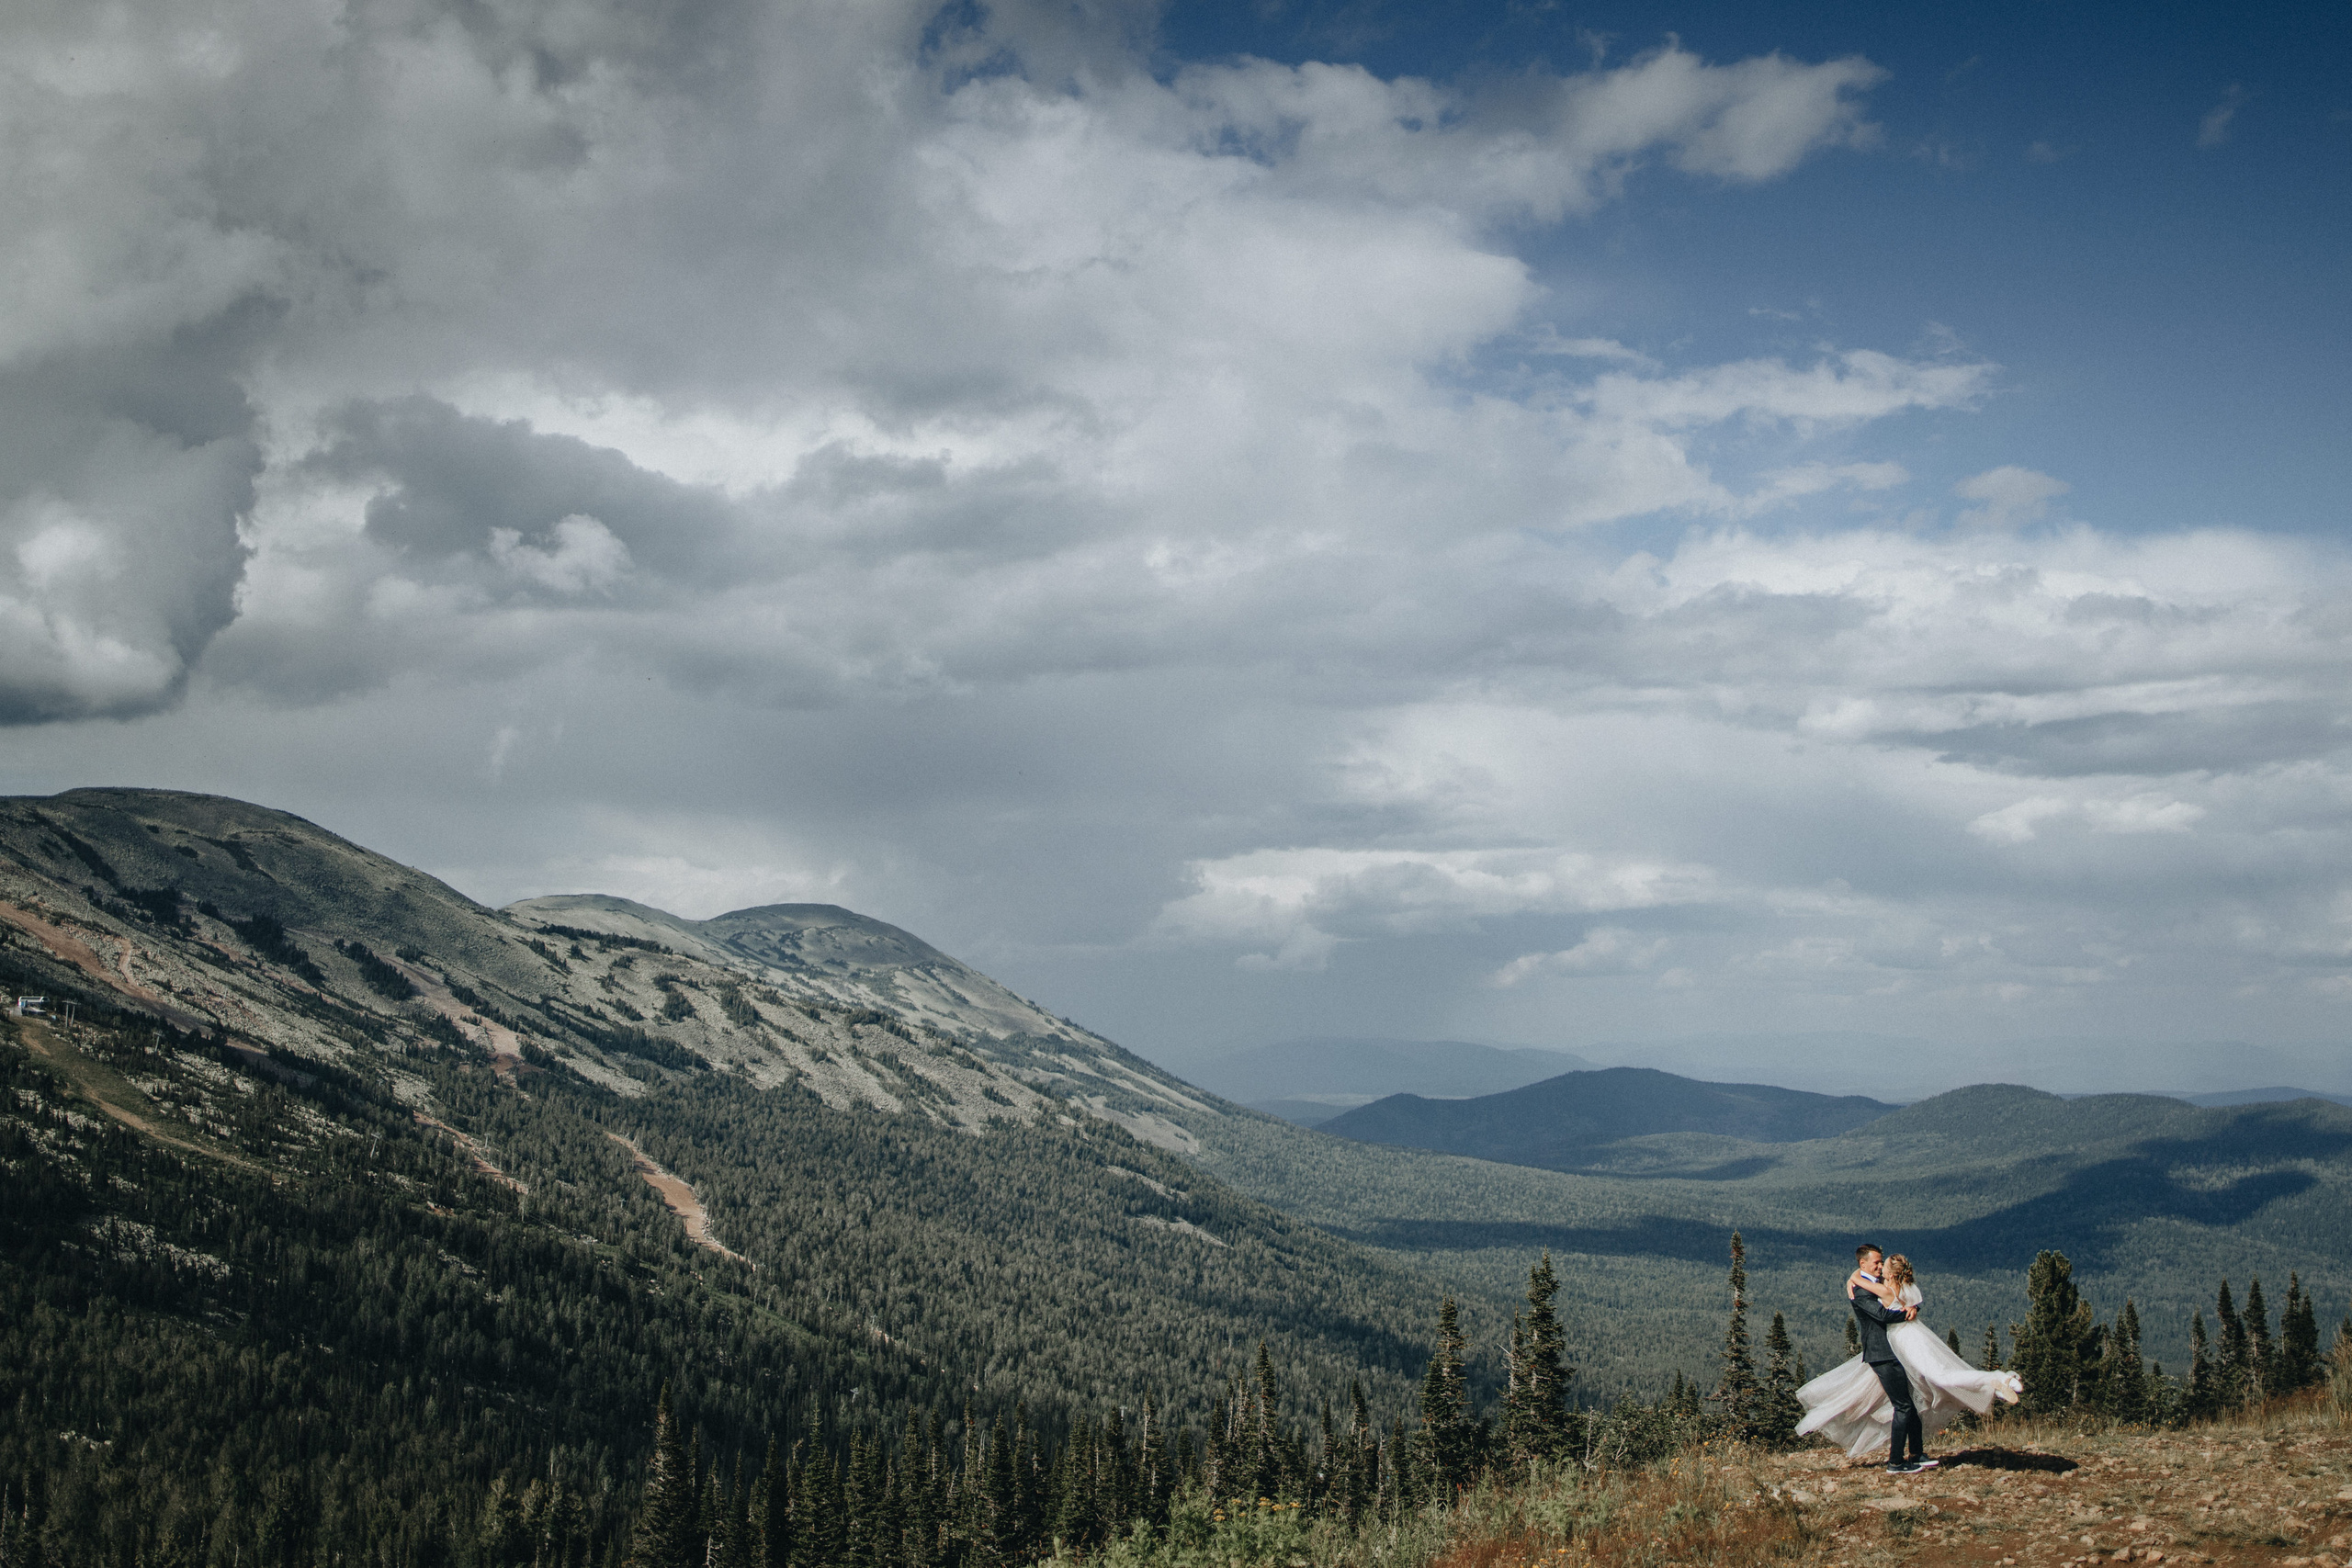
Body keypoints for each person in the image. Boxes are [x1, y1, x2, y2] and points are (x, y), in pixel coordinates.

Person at [1795, 1245, 2022, 1472]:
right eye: (1875, 1262)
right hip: (1883, 1354)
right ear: (1863, 1263)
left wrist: (1906, 1306)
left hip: (1899, 1349)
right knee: (1905, 1404)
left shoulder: (1876, 1284)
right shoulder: (1861, 1291)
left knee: (1911, 1402)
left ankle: (1916, 1453)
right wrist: (1906, 1310)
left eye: (1881, 1262)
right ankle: (1895, 1462)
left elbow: (1901, 1299)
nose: (1878, 1266)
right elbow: (1883, 1315)